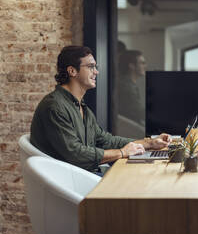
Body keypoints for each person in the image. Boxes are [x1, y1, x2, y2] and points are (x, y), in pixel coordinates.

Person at [30, 45, 171, 176]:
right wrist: (122, 152)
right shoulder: (54, 106)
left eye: (95, 67)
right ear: (72, 71)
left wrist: (149, 143)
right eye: (91, 67)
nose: (96, 72)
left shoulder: (81, 107)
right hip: (71, 180)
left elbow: (105, 140)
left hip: (84, 175)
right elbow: (76, 154)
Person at [117, 50, 146, 125]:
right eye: (142, 63)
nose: (145, 66)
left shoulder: (128, 83)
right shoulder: (126, 86)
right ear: (131, 66)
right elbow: (138, 112)